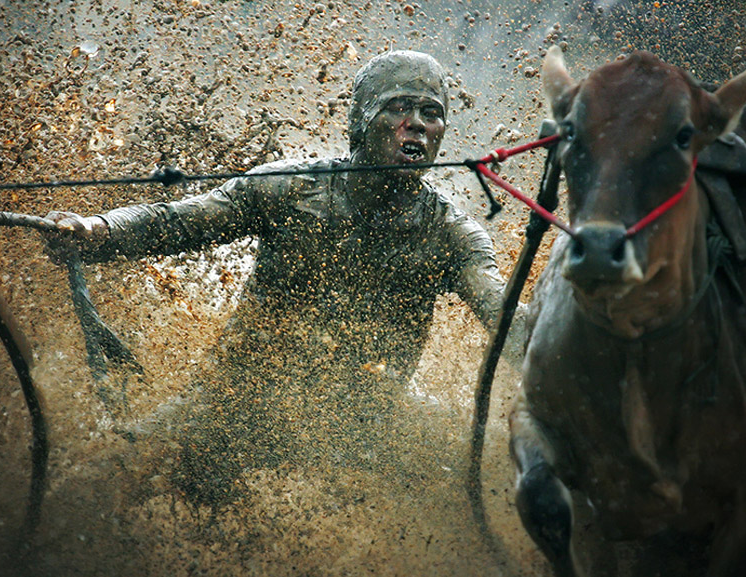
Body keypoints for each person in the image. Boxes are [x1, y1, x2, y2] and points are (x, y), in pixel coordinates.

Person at [45, 50, 507, 504]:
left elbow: (502, 315)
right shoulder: (289, 188)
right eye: (399, 107)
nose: (417, 124)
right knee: (85, 493)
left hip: (368, 425)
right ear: (364, 119)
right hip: (232, 404)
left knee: (484, 470)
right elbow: (176, 222)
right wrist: (95, 231)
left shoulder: (451, 234)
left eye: (431, 113)